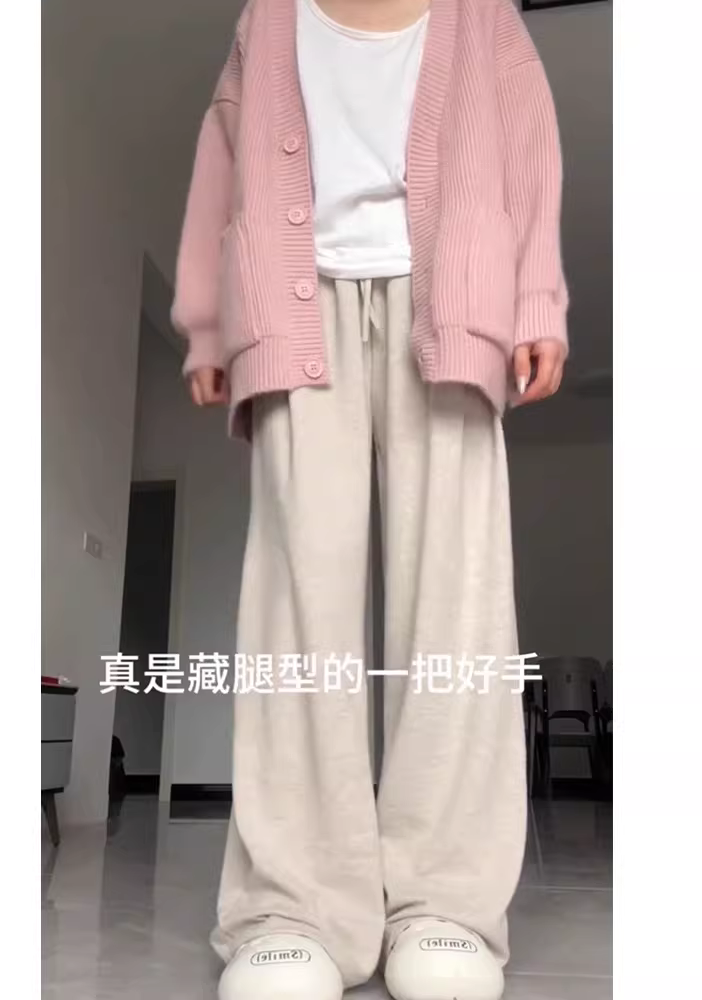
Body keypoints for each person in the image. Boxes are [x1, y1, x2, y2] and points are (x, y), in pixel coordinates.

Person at [171, 1, 568, 997]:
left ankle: (445, 905)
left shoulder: (484, 16)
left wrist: (536, 300)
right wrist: (208, 323)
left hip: (456, 299)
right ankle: (294, 909)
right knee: (296, 609)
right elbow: (223, 155)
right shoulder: (268, 18)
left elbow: (529, 145)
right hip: (293, 303)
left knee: (457, 608)